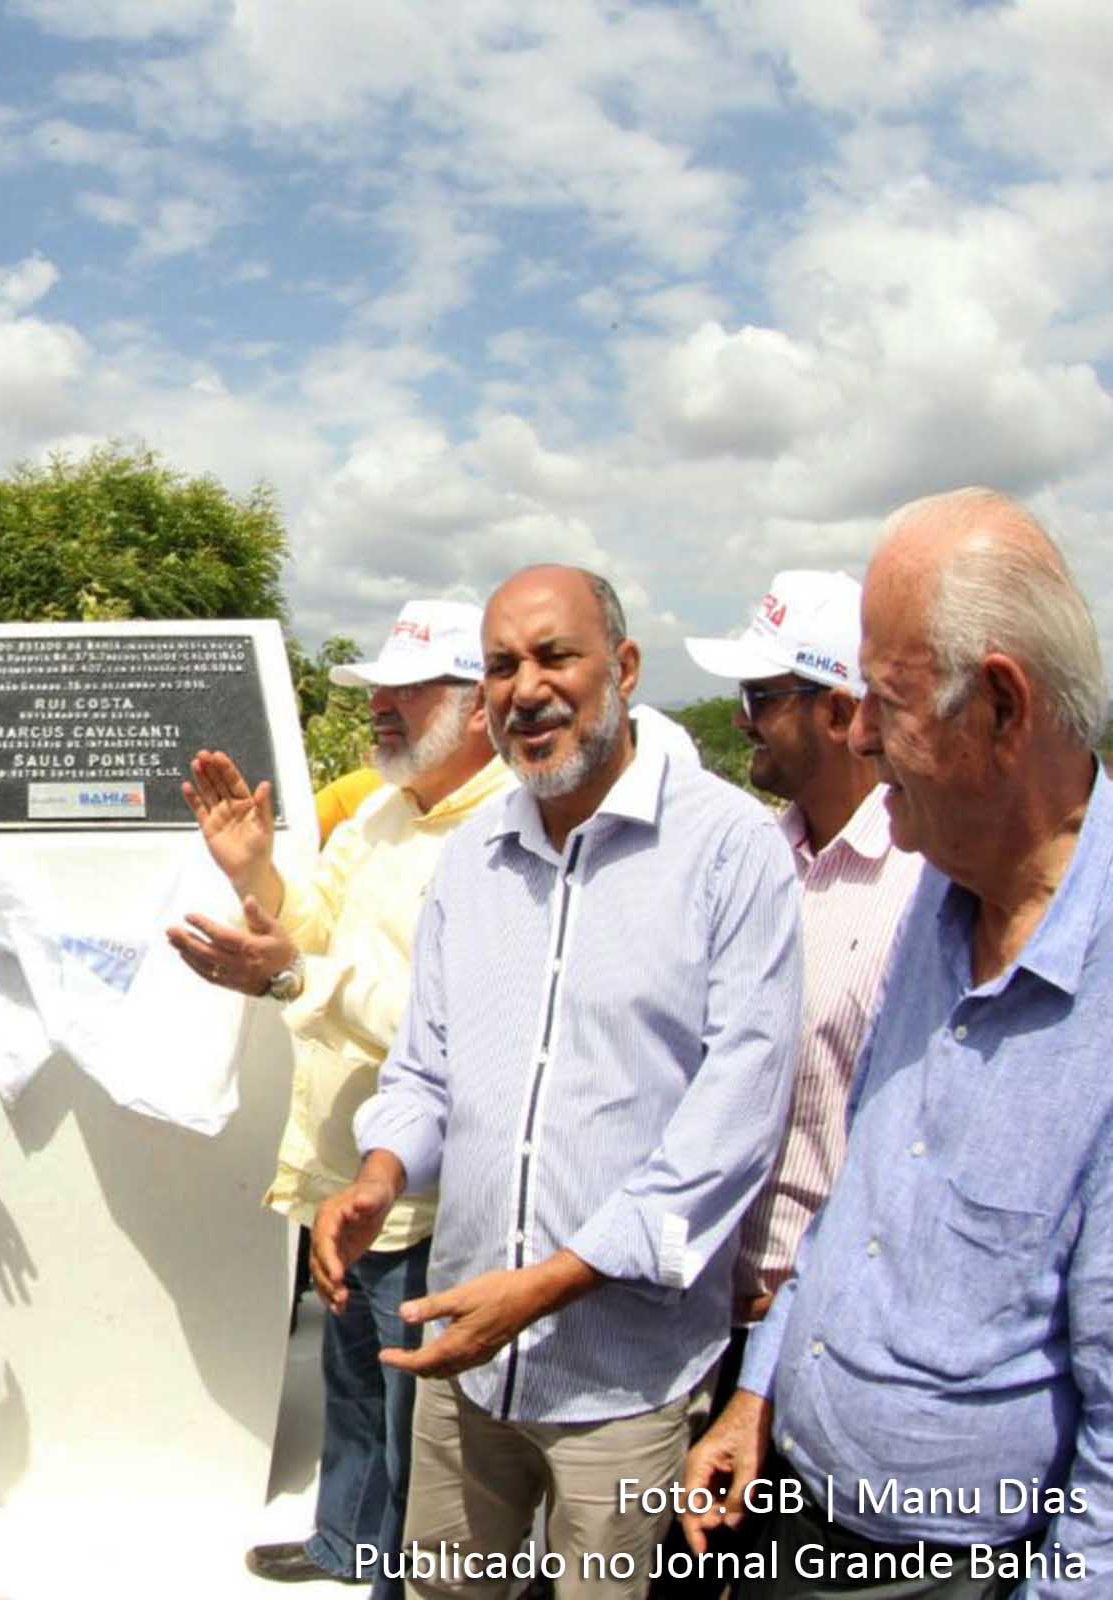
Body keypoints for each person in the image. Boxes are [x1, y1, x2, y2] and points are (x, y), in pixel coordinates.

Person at [317, 565, 802, 1600]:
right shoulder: (472, 862)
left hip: (626, 1379)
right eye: (498, 666)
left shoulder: (729, 849)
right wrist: (378, 1175)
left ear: (622, 668)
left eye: (553, 655)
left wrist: (546, 1287)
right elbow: (425, 1066)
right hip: (465, 1362)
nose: (523, 687)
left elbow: (734, 1124)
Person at [681, 490, 1113, 1600]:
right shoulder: (943, 889)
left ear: (1003, 707)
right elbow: (857, 1203)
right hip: (799, 1507)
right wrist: (758, 1396)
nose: (858, 732)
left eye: (886, 699)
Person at [168, 600, 510, 1594]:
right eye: (380, 692)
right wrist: (257, 870)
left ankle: (406, 1570)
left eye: (409, 692)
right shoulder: (383, 814)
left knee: (415, 1413)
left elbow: (443, 1024)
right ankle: (346, 1540)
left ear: (479, 705)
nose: (384, 711)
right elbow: (313, 922)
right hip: (346, 1172)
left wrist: (289, 979)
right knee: (351, 1374)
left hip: (424, 1187)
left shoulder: (502, 835)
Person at [642, 571, 922, 1597]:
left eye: (763, 699)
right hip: (699, 1313)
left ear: (844, 711)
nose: (742, 721)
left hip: (813, 1338)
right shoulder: (756, 861)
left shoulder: (918, 890)